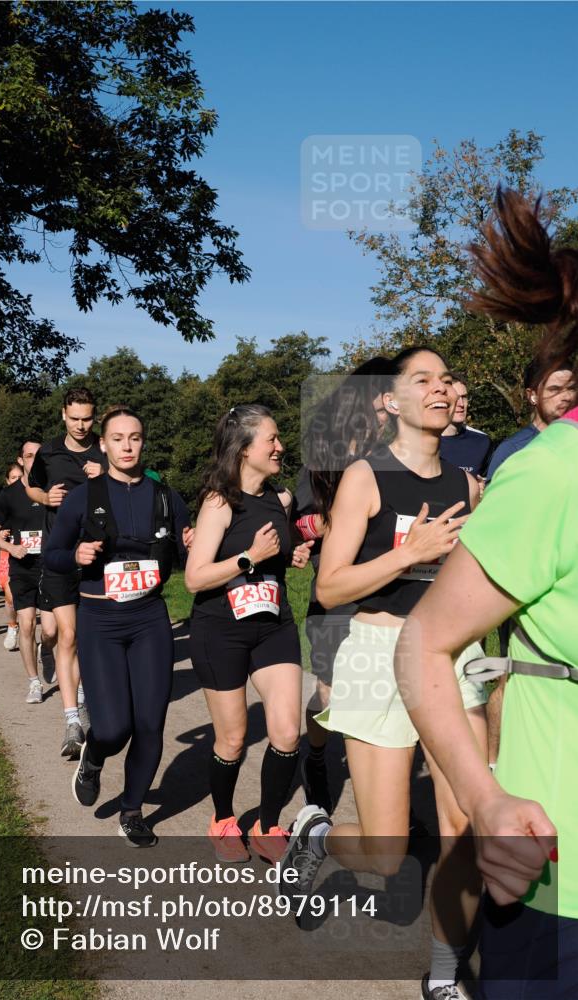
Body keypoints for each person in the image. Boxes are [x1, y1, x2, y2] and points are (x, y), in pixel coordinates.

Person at [394, 188, 577, 999]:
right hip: (561, 873)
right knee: (386, 836)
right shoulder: (547, 471)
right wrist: (488, 798)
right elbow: (424, 641)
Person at [279, 346, 489, 1000]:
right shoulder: (366, 479)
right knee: (387, 854)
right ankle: (315, 831)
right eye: (420, 378)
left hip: (450, 661)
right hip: (377, 659)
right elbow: (334, 585)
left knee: (468, 828)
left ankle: (446, 972)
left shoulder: (470, 486)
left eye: (445, 376)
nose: (439, 386)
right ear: (391, 402)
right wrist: (409, 553)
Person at [44, 406, 192, 846]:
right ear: (103, 444)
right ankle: (93, 755)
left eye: (135, 437)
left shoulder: (167, 497)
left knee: (150, 723)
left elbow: (189, 560)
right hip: (100, 619)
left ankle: (132, 808)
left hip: (148, 617)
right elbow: (52, 554)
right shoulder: (83, 497)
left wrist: (193, 543)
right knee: (112, 728)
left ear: (143, 442)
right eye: (118, 438)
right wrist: (76, 556)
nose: (128, 446)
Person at [185, 405, 313, 864]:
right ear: (244, 449)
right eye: (272, 440)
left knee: (285, 731)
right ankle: (222, 818)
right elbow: (195, 578)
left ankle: (267, 824)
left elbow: (280, 549)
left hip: (273, 625)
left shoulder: (280, 499)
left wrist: (291, 556)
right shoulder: (219, 503)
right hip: (220, 630)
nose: (280, 447)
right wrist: (250, 558)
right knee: (234, 738)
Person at [295, 357, 394, 813]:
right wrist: (340, 520)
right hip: (337, 596)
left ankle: (392, 801)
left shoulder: (399, 459)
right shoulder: (325, 457)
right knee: (332, 695)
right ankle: (315, 753)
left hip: (390, 594)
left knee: (386, 696)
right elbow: (303, 521)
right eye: (382, 397)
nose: (388, 408)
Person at [26, 387, 108, 755]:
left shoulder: (104, 450)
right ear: (63, 415)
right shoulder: (48, 451)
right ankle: (73, 721)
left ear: (96, 416)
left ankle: (87, 697)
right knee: (68, 635)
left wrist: (104, 474)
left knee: (89, 637)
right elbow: (31, 487)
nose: (80, 425)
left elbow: (132, 487)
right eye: (74, 418)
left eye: (87, 418)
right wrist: (45, 498)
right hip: (59, 554)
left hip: (98, 555)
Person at [0, 442, 57, 704]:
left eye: (39, 456)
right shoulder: (9, 495)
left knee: (49, 631)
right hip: (22, 567)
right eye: (29, 456)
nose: (34, 460)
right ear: (21, 460)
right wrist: (11, 548)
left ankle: (47, 651)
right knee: (26, 624)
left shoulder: (53, 489)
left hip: (51, 566)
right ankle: (34, 682)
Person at [485, 360, 576, 483]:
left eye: (571, 389)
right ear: (533, 395)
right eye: (555, 389)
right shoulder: (513, 450)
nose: (567, 397)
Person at [440, 373, 492, 484]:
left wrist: (484, 490)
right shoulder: (422, 442)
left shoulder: (482, 441)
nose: (461, 404)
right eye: (455, 398)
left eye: (464, 397)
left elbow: (491, 484)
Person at [0, 463, 23, 651]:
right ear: (7, 481)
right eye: (13, 477)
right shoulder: (4, 501)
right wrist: (0, 537)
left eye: (19, 477)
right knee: (11, 596)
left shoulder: (34, 497)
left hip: (30, 554)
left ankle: (30, 634)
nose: (16, 480)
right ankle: (12, 627)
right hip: (7, 554)